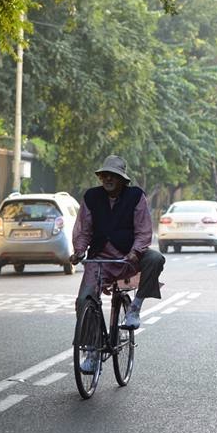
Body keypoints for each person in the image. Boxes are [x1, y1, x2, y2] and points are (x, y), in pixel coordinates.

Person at [69, 155, 166, 373]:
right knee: (84, 300)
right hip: (100, 261)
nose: (108, 179)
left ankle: (135, 308)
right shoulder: (91, 197)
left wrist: (135, 252)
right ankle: (92, 351)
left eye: (113, 176)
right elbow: (83, 230)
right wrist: (79, 251)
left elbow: (143, 230)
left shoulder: (136, 197)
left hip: (128, 258)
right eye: (104, 175)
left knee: (155, 259)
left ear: (122, 179)